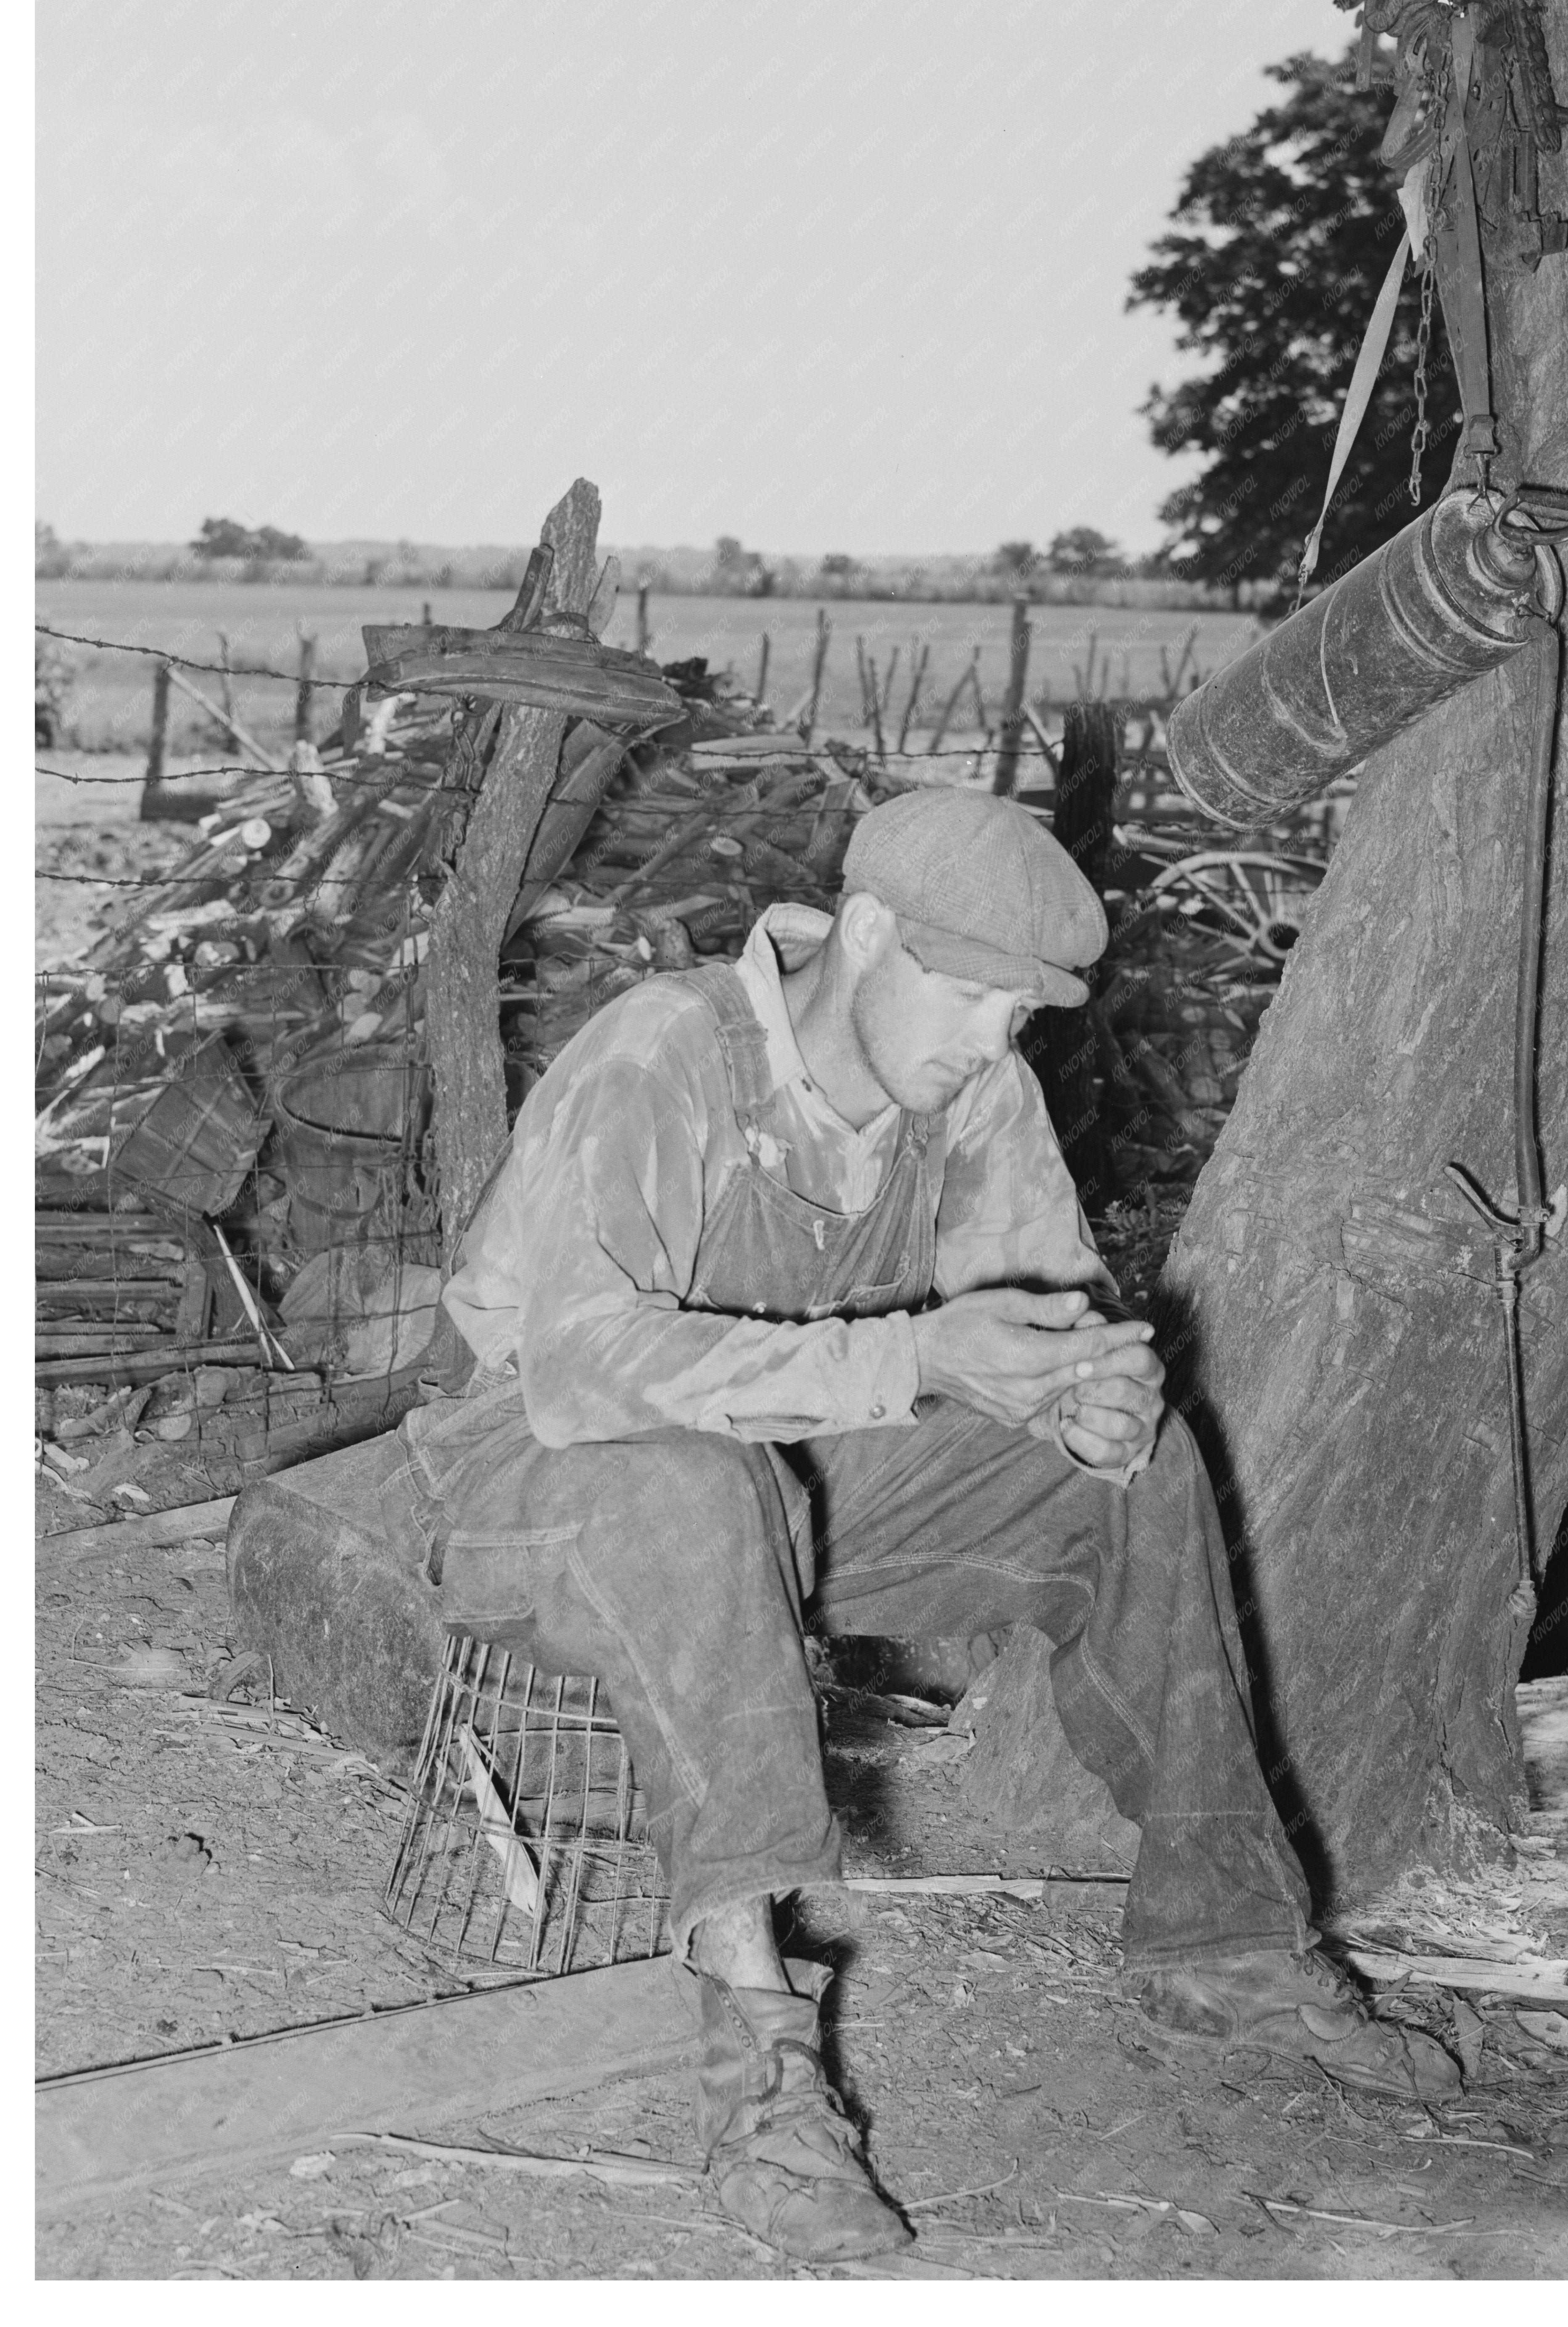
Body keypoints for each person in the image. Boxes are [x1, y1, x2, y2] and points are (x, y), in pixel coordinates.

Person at [399, 786, 1460, 2264]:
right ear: (872, 931)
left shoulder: (966, 1091)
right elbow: (588, 1372)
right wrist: (917, 1358)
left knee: (1133, 1474)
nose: (986, 1043)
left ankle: (1223, 1944)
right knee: (692, 1483)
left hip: (799, 1464)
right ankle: (759, 2053)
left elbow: (1045, 1314)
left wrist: (1088, 1395)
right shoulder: (665, 1052)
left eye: (1018, 1019)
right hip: (541, 1479)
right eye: (968, 997)